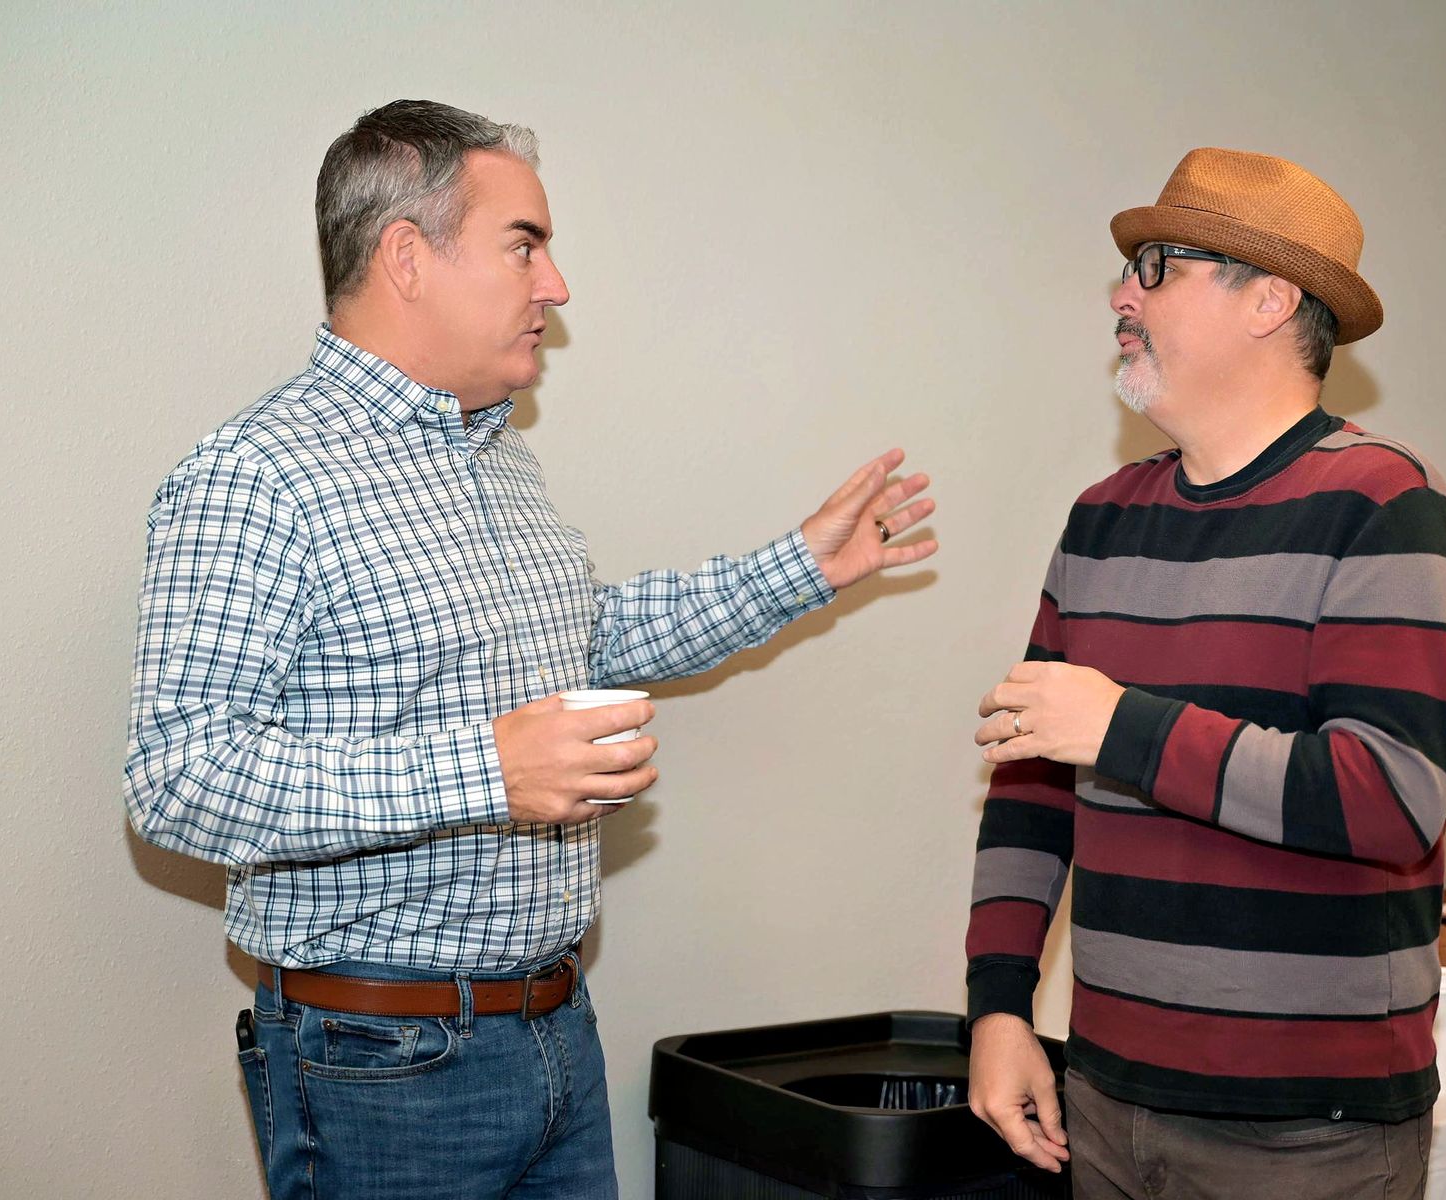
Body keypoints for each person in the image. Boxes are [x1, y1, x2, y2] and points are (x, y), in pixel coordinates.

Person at [124, 99, 936, 1200]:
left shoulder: (498, 456)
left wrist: (798, 569)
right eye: (524, 245)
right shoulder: (255, 477)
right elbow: (178, 779)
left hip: (555, 1033)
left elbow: (586, 636)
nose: (555, 285)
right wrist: (488, 771)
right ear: (407, 257)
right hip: (382, 1069)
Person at [963, 148, 1446, 1199]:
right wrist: (999, 1009)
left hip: (1305, 1136)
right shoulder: (1103, 517)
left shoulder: (1385, 508)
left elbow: (1388, 800)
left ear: (1270, 300)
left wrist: (1123, 728)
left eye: (1156, 268)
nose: (1121, 295)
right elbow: (1031, 787)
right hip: (1103, 1100)